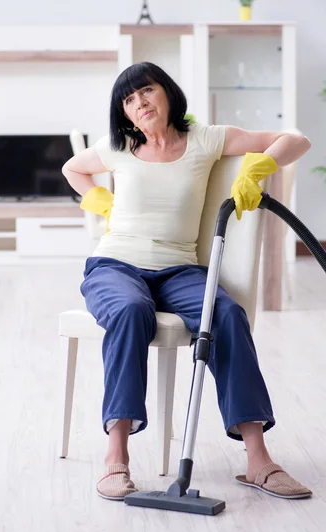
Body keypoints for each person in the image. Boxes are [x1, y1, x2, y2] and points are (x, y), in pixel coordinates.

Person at [62, 62, 312, 502]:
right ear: (123, 112)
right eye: (128, 99)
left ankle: (258, 461)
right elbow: (72, 168)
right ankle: (116, 456)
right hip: (116, 266)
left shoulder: (206, 139)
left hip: (180, 270)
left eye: (146, 91)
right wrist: (99, 201)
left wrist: (258, 167)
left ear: (167, 93)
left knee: (228, 315)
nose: (139, 103)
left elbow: (297, 139)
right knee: (129, 310)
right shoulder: (117, 146)